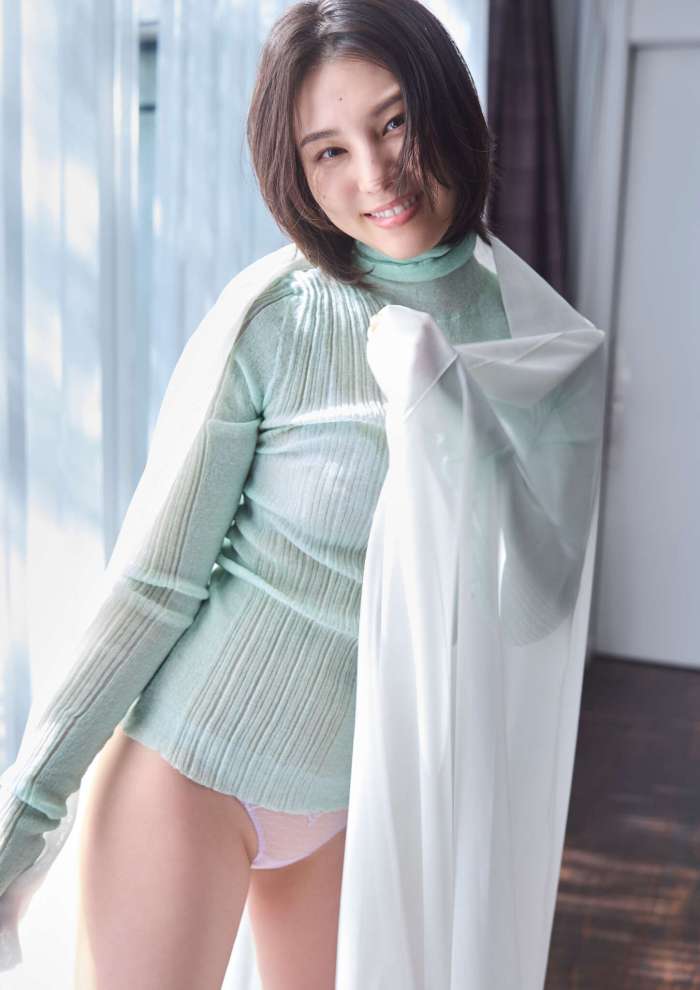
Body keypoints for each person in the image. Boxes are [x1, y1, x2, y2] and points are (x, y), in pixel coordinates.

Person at [0, 1, 513, 986]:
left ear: (446, 106)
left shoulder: (522, 332)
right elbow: (152, 586)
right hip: (191, 773)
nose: (376, 175)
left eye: (395, 122)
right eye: (330, 151)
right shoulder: (276, 315)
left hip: (353, 797)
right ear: (298, 173)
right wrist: (22, 820)